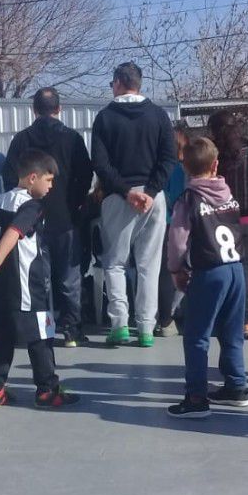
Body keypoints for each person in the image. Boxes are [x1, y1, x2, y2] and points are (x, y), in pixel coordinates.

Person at [0, 149, 79, 409]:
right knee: (41, 337)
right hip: (26, 286)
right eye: (49, 180)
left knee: (1, 337)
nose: (51, 186)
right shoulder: (31, 206)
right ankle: (47, 390)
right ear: (33, 178)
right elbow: (15, 231)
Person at [91, 62, 175, 348]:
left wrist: (127, 192)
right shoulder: (159, 115)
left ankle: (119, 325)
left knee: (114, 262)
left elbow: (100, 164)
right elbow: (168, 159)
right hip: (155, 199)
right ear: (139, 83)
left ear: (117, 82)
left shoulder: (105, 118)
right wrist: (150, 191)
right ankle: (147, 329)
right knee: (148, 265)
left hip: (118, 197)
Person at [165, 137, 248, 418]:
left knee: (197, 335)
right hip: (236, 268)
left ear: (185, 168)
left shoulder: (188, 199)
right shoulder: (228, 193)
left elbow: (177, 240)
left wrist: (176, 269)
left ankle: (197, 397)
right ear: (216, 165)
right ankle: (237, 386)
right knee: (232, 332)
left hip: (209, 270)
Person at [4, 88, 93, 347]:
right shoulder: (72, 138)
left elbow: (9, 177)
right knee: (69, 276)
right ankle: (72, 330)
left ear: (33, 110)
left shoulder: (21, 140)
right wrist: (75, 202)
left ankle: (40, 329)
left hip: (29, 218)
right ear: (59, 109)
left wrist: (24, 204)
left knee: (36, 277)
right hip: (65, 215)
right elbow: (86, 174)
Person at [206, 110, 248, 337]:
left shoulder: (213, 156)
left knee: (221, 268)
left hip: (220, 220)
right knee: (244, 268)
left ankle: (222, 317)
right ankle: (246, 320)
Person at [156, 122, 189, 338]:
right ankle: (168, 317)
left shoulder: (159, 166)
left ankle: (162, 315)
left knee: (160, 272)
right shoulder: (179, 169)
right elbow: (179, 198)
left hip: (159, 222)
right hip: (176, 223)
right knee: (174, 271)